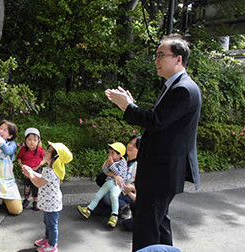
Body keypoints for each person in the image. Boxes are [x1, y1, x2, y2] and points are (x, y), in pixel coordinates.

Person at [105, 33, 202, 251]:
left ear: (178, 59)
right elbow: (161, 121)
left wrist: (127, 107)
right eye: (156, 55)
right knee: (158, 223)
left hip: (161, 173)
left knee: (146, 228)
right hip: (161, 172)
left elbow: (156, 121)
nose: (156, 60)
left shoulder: (183, 90)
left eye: (161, 55)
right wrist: (130, 104)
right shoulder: (176, 86)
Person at [22, 142, 73, 252]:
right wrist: (32, 171)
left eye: (49, 151)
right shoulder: (50, 169)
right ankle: (47, 239)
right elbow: (42, 177)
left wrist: (29, 175)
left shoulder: (51, 171)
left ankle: (52, 245)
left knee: (52, 225)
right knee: (47, 222)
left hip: (52, 204)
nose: (45, 152)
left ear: (55, 157)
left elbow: (38, 183)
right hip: (49, 202)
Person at [77, 142, 127, 228]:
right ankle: (88, 209)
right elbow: (105, 171)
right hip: (108, 182)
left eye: (113, 153)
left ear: (119, 155)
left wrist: (111, 165)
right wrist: (108, 166)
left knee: (113, 197)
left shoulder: (123, 163)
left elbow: (119, 173)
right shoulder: (109, 161)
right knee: (98, 195)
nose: (110, 155)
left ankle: (114, 215)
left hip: (116, 184)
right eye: (109, 152)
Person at [17, 127, 45, 211]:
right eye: (29, 139)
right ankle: (26, 200)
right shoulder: (23, 150)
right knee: (27, 186)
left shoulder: (40, 150)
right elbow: (19, 158)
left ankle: (35, 202)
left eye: (34, 140)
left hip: (36, 171)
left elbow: (45, 159)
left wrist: (38, 166)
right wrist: (22, 165)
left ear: (38, 141)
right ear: (25, 141)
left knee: (36, 186)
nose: (32, 142)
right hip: (26, 172)